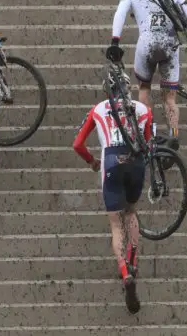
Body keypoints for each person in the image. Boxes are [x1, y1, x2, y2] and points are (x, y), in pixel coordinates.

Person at [72, 69, 153, 314]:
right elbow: (148, 143)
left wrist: (92, 162)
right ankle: (134, 259)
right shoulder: (142, 108)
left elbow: (77, 144)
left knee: (116, 224)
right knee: (131, 213)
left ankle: (125, 272)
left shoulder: (99, 108)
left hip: (111, 163)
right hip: (136, 164)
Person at [106, 0, 187, 151]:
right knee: (170, 97)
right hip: (170, 43)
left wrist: (115, 41)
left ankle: (148, 135)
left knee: (144, 88)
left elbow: (119, 14)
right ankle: (174, 134)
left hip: (146, 44)